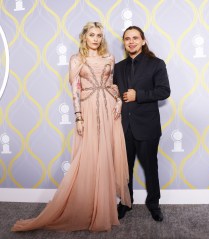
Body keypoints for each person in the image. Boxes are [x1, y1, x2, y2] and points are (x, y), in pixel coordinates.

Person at [12, 22, 131, 232]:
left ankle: (105, 204)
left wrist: (119, 102)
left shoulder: (109, 57)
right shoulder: (76, 59)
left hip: (110, 108)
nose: (96, 39)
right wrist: (78, 117)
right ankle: (89, 205)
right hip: (87, 108)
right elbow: (75, 90)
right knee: (90, 155)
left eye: (99, 35)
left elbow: (113, 83)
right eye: (92, 34)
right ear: (84, 36)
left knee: (108, 154)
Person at [114, 26, 170, 222]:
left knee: (150, 168)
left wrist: (139, 95)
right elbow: (114, 94)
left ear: (143, 41)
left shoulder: (156, 64)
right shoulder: (118, 67)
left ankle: (154, 204)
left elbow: (164, 91)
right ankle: (126, 203)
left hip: (147, 126)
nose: (131, 41)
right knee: (124, 169)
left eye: (135, 38)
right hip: (123, 126)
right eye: (127, 38)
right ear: (124, 42)